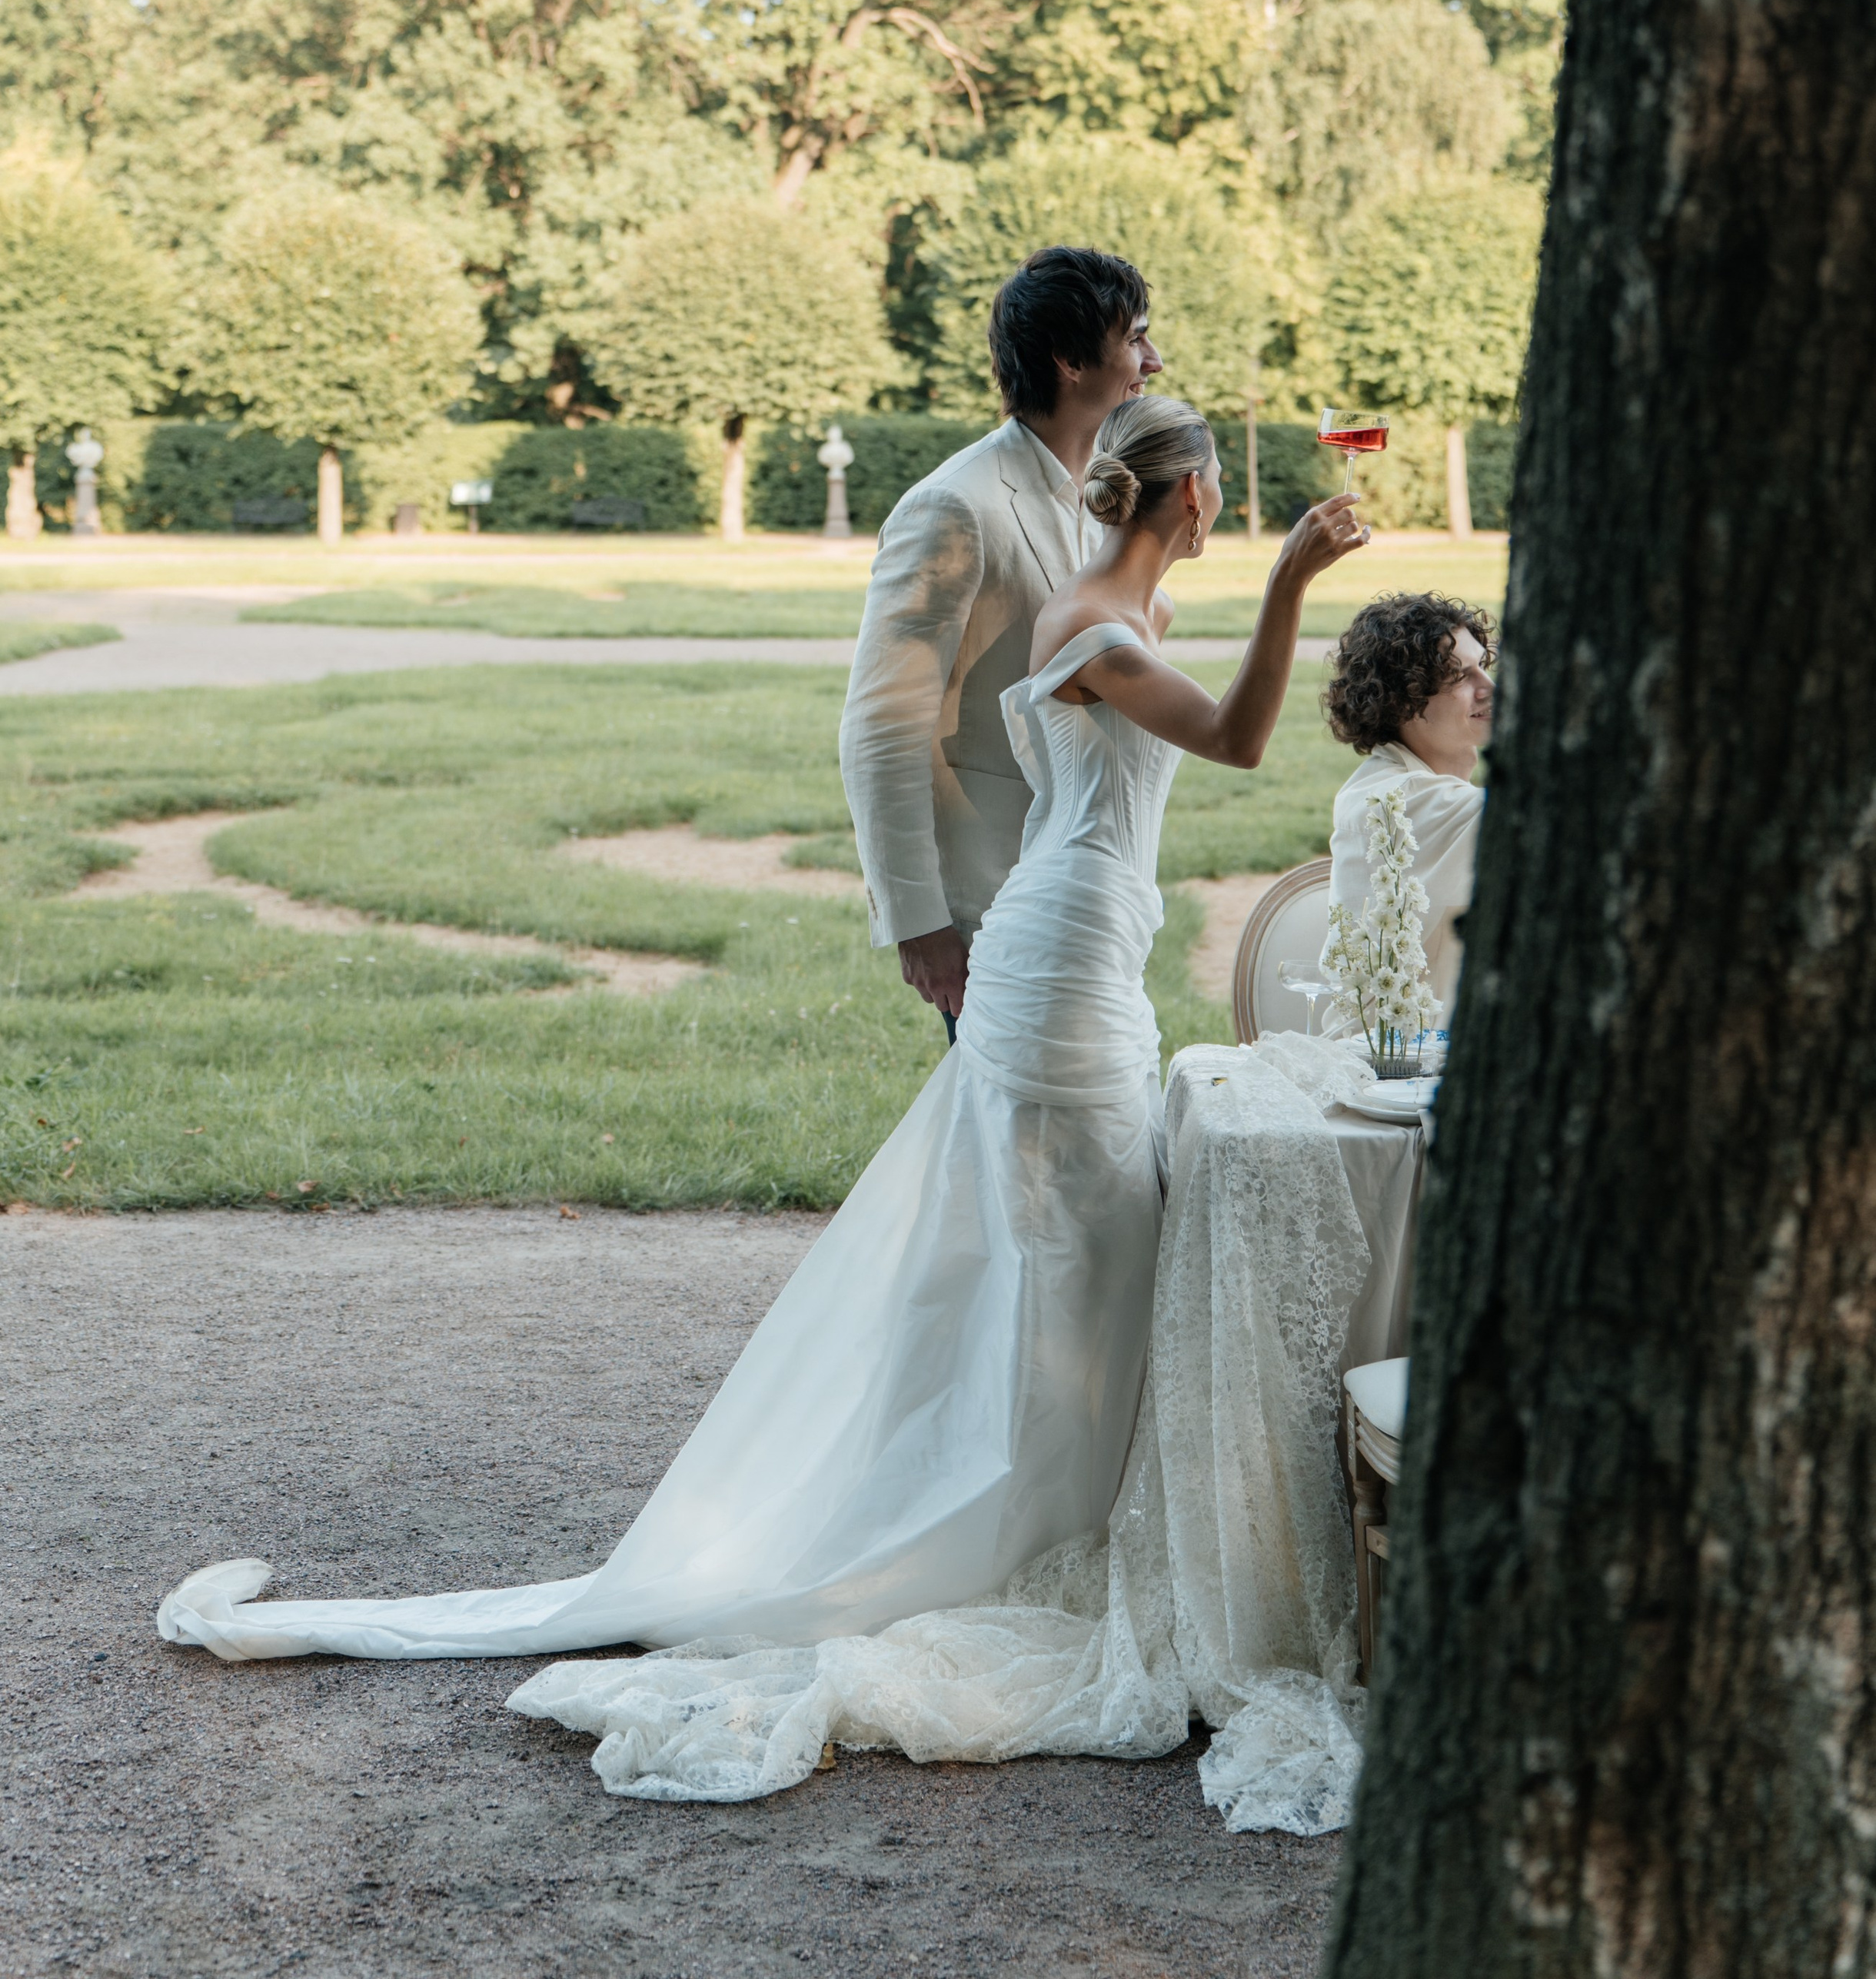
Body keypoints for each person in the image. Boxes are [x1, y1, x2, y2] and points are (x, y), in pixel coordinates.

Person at [155, 395, 1369, 1801]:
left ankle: (1059, 1510)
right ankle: (1008, 1534)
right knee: (1078, 1255)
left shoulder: (1109, 613)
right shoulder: (1096, 629)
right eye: (1225, 503)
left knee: (1079, 1256)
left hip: (1081, 953)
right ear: (1198, 503)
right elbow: (1239, 739)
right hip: (1057, 974)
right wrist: (1293, 587)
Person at [840, 242, 1159, 1033]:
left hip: (1087, 884)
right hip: (993, 899)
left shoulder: (1104, 496)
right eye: (1135, 338)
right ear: (1068, 361)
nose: (1153, 359)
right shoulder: (952, 507)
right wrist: (920, 921)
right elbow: (881, 725)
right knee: (1008, 1146)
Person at [1322, 594, 1495, 1023]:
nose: (1489, 688)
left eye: (1484, 668)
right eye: (1459, 677)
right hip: (1394, 1070)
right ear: (1401, 700)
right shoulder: (1399, 799)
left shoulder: (1399, 782)